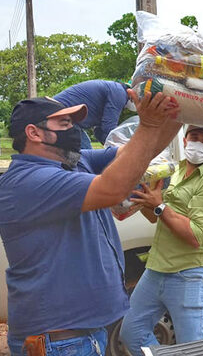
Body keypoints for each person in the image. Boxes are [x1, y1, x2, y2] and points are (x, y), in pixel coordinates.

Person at [0, 92, 180, 356]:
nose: (73, 129)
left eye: (73, 123)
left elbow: (144, 150)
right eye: (63, 124)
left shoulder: (74, 162)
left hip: (82, 335)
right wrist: (148, 124)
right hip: (57, 342)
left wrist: (179, 111)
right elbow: (113, 190)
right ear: (34, 133)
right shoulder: (28, 181)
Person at [120, 125, 203, 356]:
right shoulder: (174, 171)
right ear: (185, 140)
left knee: (192, 350)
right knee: (131, 332)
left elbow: (195, 236)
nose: (198, 143)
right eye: (194, 137)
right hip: (157, 268)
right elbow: (154, 217)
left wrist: (159, 206)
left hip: (190, 275)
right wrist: (142, 200)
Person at [54, 79, 135, 149]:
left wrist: (110, 147)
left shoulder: (115, 90)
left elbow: (99, 131)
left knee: (85, 151)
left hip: (62, 115)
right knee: (86, 155)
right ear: (131, 92)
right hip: (61, 114)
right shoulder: (119, 93)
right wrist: (122, 150)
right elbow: (109, 128)